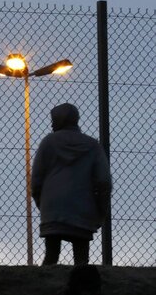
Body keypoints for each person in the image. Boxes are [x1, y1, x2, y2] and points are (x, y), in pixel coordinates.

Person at [32, 103, 111, 266]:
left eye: (53, 120)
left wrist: (42, 204)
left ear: (59, 121)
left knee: (51, 255)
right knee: (81, 259)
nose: (52, 124)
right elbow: (103, 181)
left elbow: (36, 180)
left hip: (52, 207)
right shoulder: (92, 145)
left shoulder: (48, 142)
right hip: (82, 206)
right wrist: (101, 210)